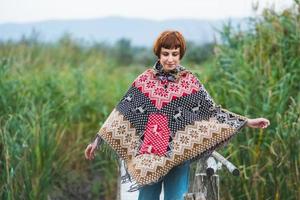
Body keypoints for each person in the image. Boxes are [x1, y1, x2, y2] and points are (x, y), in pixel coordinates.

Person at [85, 30, 270, 200]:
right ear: (159, 54)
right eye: (166, 53)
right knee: (146, 198)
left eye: (175, 54)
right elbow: (123, 112)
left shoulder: (189, 83)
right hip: (149, 155)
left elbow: (211, 112)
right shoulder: (144, 81)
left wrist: (247, 122)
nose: (170, 59)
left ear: (181, 55)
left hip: (178, 152)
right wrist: (98, 141)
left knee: (175, 197)